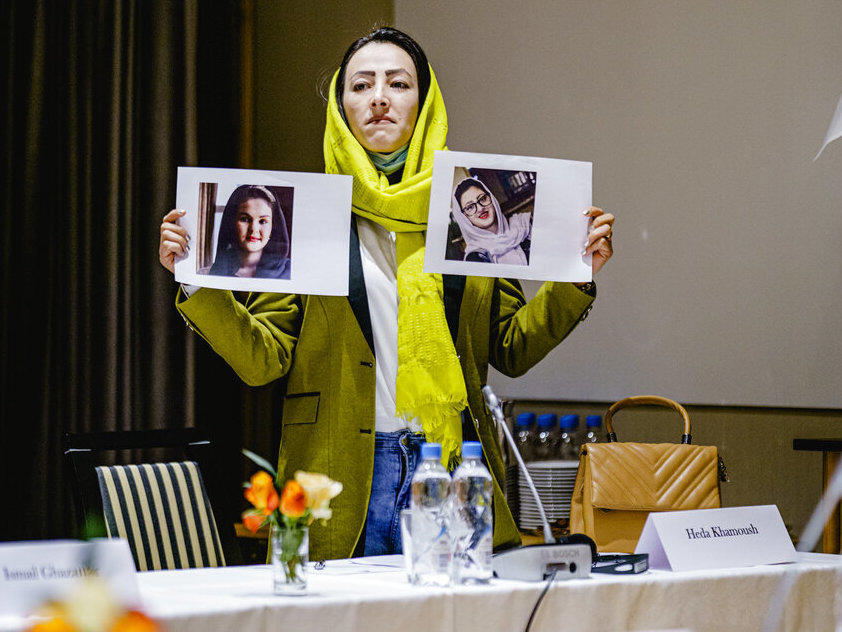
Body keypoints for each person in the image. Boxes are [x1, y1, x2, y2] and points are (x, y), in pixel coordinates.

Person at [158, 27, 615, 561]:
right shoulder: (309, 214)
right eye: (361, 85)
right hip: (339, 475)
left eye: (398, 83)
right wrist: (194, 279)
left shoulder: (464, 212)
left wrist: (576, 276)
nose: (378, 97)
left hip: (451, 467)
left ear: (424, 103)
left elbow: (510, 348)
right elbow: (263, 361)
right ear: (340, 105)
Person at [207, 184, 291, 279]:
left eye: (262, 221)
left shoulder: (291, 271)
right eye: (245, 219)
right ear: (232, 223)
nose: (253, 229)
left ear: (273, 227)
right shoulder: (212, 272)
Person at [451, 176, 531, 264]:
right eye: (470, 207)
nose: (480, 208)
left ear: (491, 198)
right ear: (464, 218)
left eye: (482, 199)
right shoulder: (476, 257)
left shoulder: (524, 225)